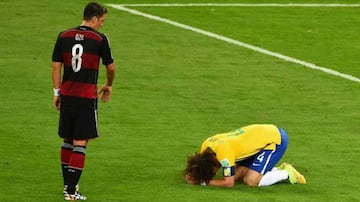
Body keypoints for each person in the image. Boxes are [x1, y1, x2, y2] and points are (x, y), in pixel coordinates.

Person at [51, 2, 115, 200]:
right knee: (80, 142)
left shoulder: (64, 36)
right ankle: (71, 192)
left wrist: (56, 92)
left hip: (67, 95)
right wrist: (109, 84)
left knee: (67, 140)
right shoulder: (99, 39)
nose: (102, 25)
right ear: (94, 19)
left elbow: (56, 67)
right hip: (86, 97)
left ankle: (67, 187)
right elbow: (110, 68)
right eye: (102, 21)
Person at [184, 124, 306, 187]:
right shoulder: (206, 145)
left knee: (250, 181)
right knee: (237, 175)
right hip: (257, 139)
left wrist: (202, 182)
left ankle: (288, 173)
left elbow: (228, 183)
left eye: (212, 172)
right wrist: (194, 172)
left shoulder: (224, 155)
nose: (215, 173)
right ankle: (274, 169)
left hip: (274, 140)